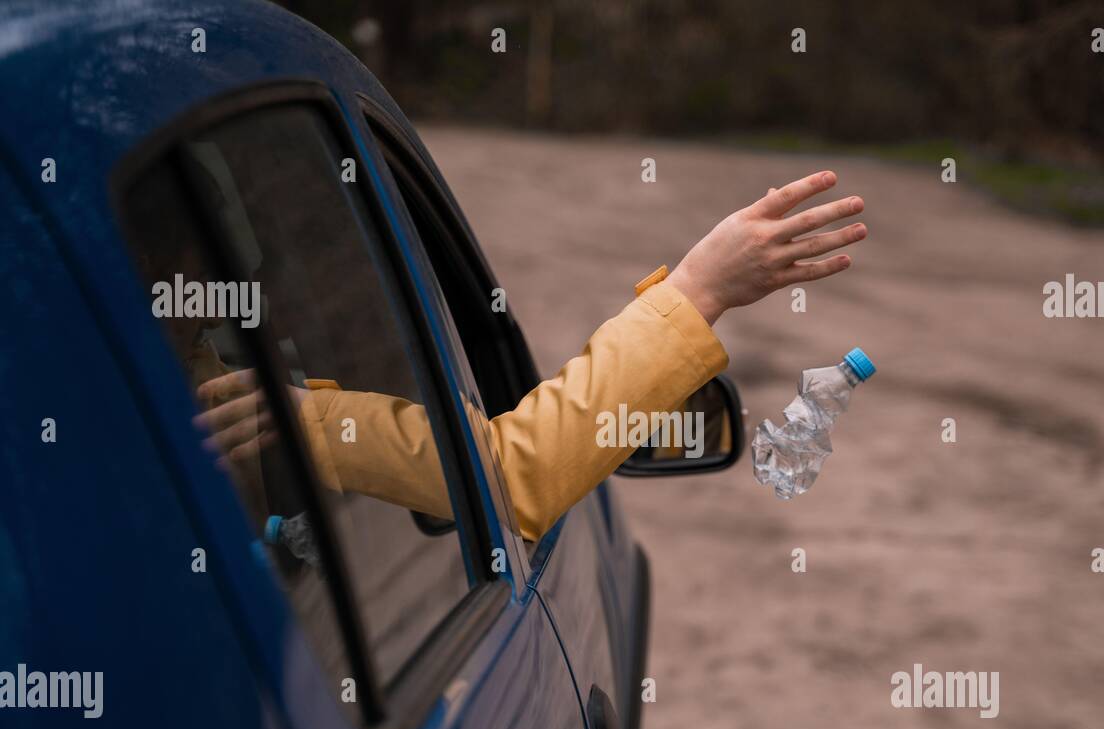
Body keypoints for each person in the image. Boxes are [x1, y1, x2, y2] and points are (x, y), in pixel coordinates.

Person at [194, 170, 866, 541]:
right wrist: (699, 290)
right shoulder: (217, 407)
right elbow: (510, 481)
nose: (258, 275)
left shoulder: (177, 380)